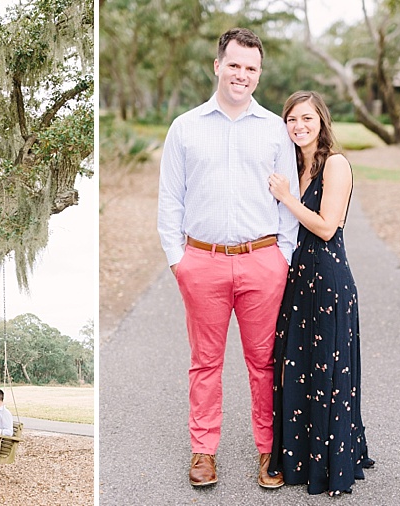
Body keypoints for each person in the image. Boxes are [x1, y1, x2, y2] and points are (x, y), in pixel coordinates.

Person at [157, 27, 299, 489]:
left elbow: (289, 199)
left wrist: (282, 256)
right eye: (234, 64)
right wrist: (179, 261)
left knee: (264, 362)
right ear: (218, 66)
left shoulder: (274, 130)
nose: (242, 74)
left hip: (263, 260)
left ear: (259, 74)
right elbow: (170, 200)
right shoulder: (186, 126)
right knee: (205, 363)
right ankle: (203, 452)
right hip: (203, 262)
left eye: (251, 68)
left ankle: (267, 452)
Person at [267, 90, 374, 495]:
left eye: (307, 118)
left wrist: (287, 199)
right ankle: (296, 456)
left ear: (322, 120)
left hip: (328, 278)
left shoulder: (336, 165)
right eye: (292, 119)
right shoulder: (294, 165)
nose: (299, 126)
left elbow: (328, 227)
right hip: (298, 277)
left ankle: (331, 465)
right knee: (297, 364)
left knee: (328, 370)